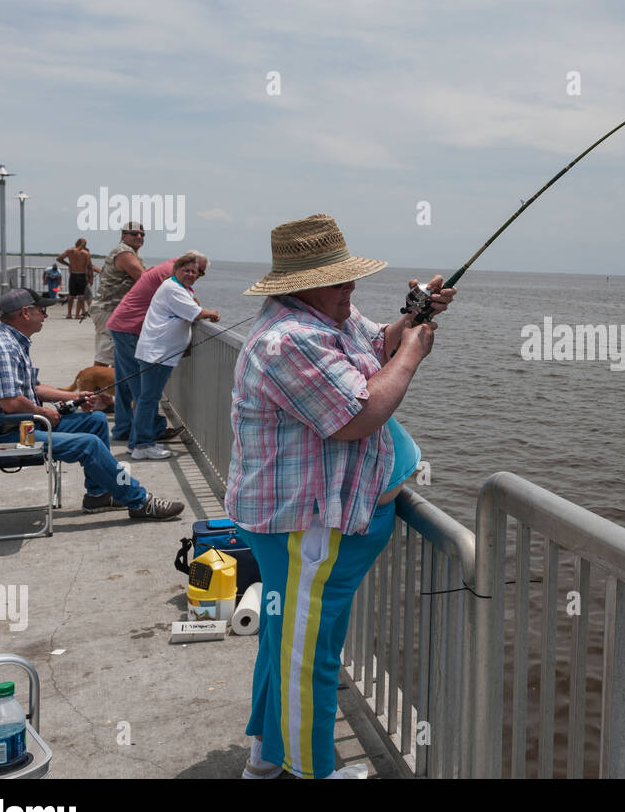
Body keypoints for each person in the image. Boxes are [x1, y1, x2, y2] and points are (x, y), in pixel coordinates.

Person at [225, 214, 454, 780]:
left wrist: (413, 318)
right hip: (310, 526)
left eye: (348, 278)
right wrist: (414, 352)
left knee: (286, 641)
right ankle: (313, 771)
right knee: (311, 660)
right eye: (337, 281)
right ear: (296, 285)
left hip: (320, 523)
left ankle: (268, 755)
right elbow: (358, 413)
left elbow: (374, 346)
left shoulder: (329, 316)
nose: (350, 290)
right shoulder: (287, 341)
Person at [0, 288, 185, 521]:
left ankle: (98, 495)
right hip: (0, 434)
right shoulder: (4, 349)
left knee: (96, 421)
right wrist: (42, 412)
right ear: (25, 313)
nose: (45, 316)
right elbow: (11, 402)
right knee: (90, 444)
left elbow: (31, 389)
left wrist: (73, 397)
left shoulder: (13, 343)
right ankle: (140, 501)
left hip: (16, 425)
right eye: (42, 311)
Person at [106, 251, 208, 448]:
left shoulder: (167, 270)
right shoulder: (169, 277)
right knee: (143, 389)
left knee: (125, 382)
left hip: (121, 325)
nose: (196, 275)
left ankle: (123, 428)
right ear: (183, 264)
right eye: (197, 270)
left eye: (199, 273)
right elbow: (190, 306)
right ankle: (148, 433)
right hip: (130, 328)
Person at [130, 254, 219, 460]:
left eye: (194, 272)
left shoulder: (178, 288)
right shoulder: (172, 288)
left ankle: (137, 442)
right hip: (157, 353)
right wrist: (211, 312)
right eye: (185, 270)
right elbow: (195, 313)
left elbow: (191, 308)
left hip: (157, 352)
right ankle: (143, 445)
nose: (190, 274)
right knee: (148, 400)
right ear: (176, 270)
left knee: (147, 399)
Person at [92, 221, 147, 428]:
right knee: (105, 357)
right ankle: (96, 399)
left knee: (115, 359)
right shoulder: (124, 253)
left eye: (142, 234)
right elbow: (143, 278)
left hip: (114, 311)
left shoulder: (130, 252)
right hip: (109, 310)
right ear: (123, 235)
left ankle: (105, 399)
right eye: (134, 234)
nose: (139, 237)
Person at [56, 238, 94, 321]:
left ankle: (69, 314)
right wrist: (91, 278)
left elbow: (59, 258)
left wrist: (69, 264)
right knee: (81, 296)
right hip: (82, 275)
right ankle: (77, 315)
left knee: (71, 296)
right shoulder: (86, 253)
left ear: (76, 243)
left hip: (73, 274)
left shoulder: (70, 251)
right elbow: (89, 267)